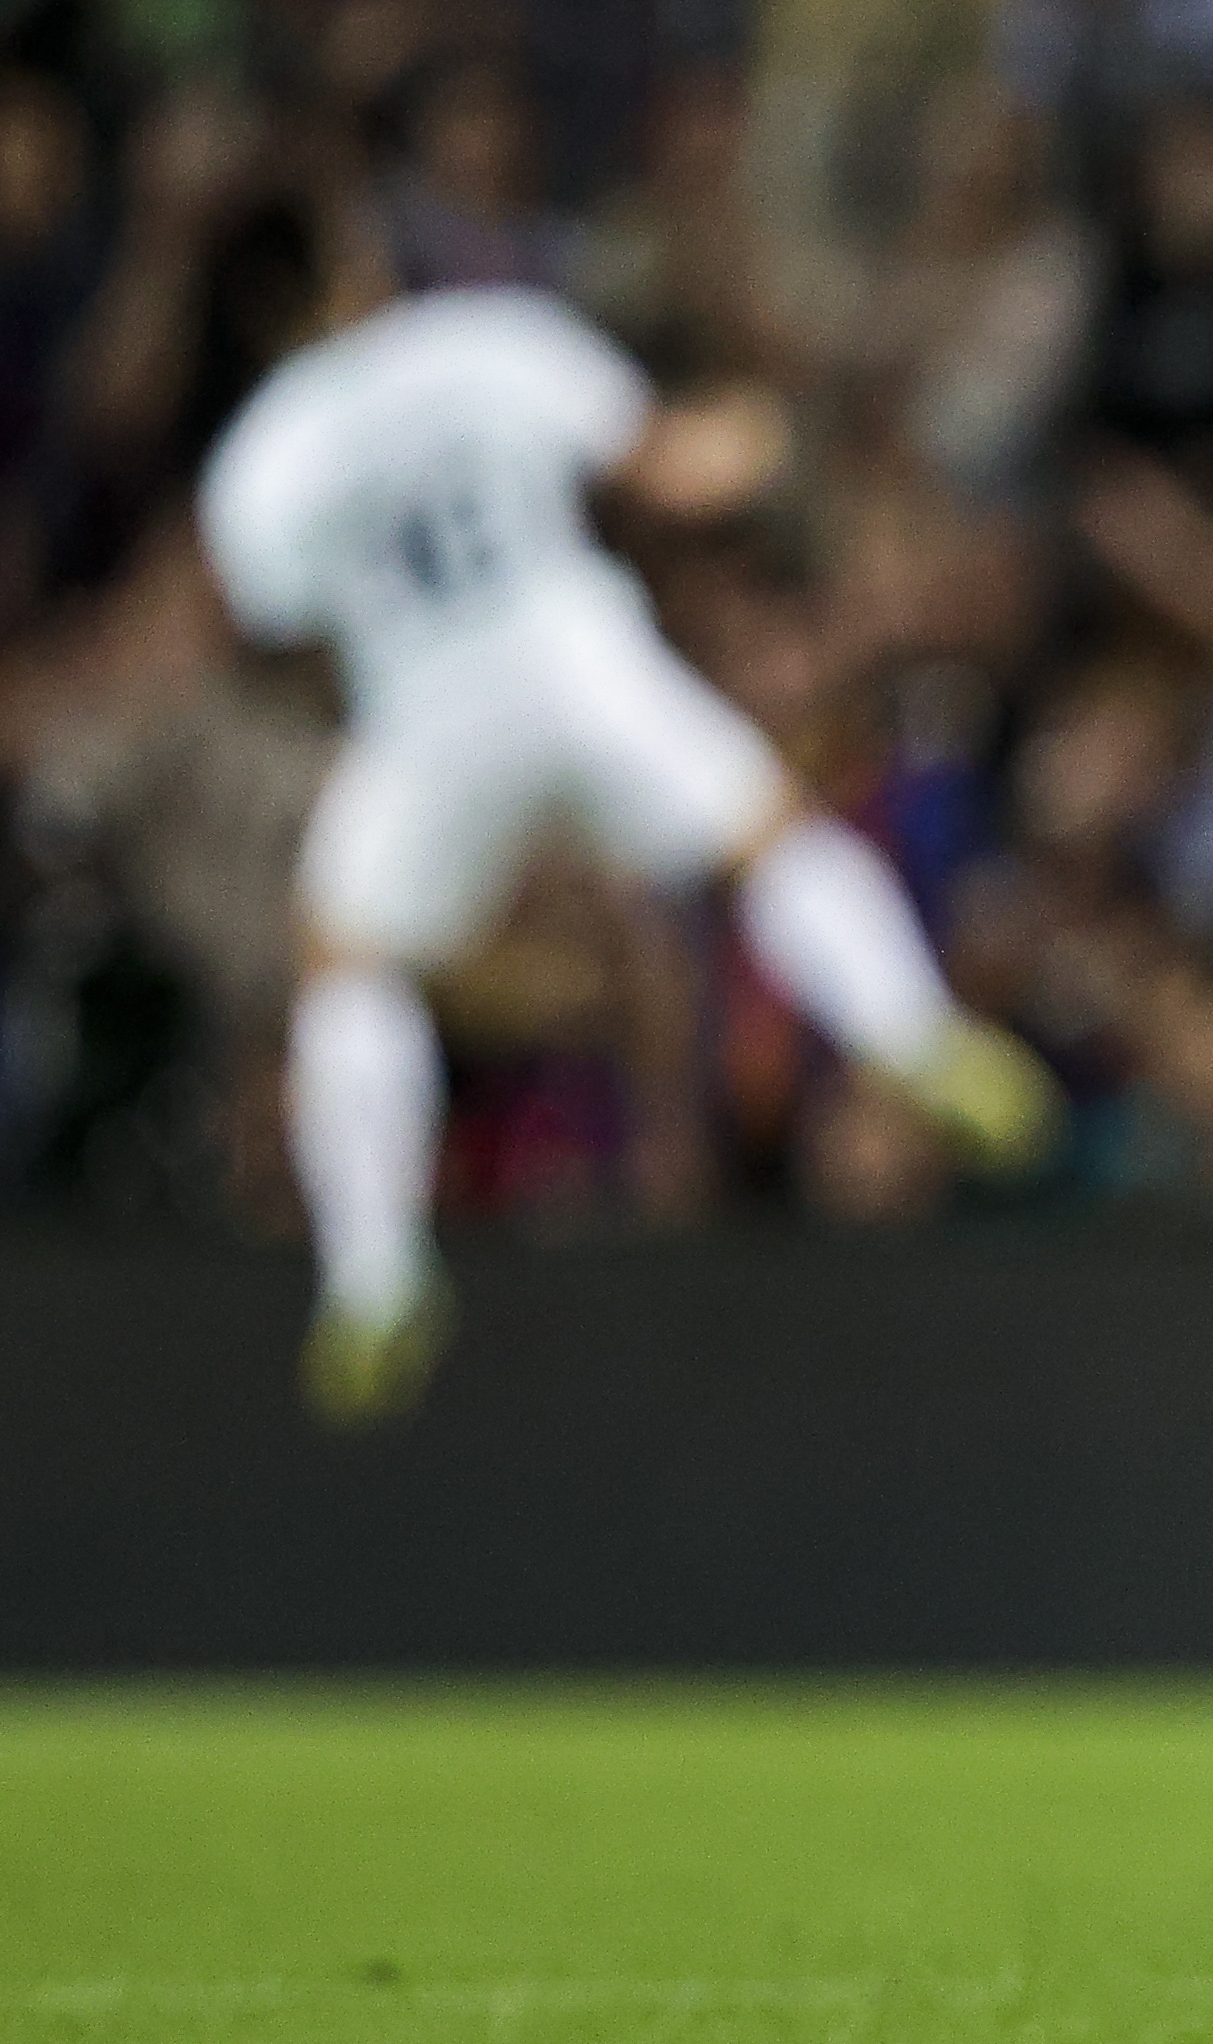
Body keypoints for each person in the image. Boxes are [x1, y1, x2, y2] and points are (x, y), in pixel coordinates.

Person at [196, 196, 1059, 1424]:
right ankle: (912, 1035)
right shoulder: (484, 338)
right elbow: (678, 467)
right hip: (576, 663)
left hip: (426, 714)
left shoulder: (263, 457)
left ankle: (375, 1278)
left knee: (344, 962)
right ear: (351, 261)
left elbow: (269, 628)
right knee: (770, 835)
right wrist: (761, 425)